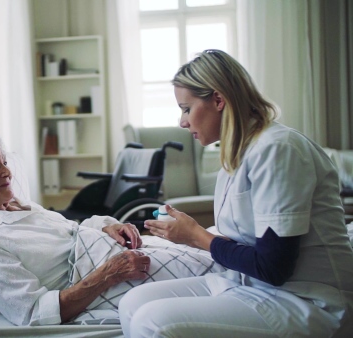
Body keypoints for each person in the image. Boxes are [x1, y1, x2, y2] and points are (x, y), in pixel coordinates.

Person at [118, 49, 353, 337]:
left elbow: (273, 268)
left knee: (152, 322)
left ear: (218, 99)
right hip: (247, 283)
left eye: (186, 108)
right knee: (132, 303)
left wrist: (196, 236)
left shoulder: (278, 149)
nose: (182, 122)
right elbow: (247, 238)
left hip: (305, 298)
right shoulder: (237, 156)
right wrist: (184, 231)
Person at [0, 130, 225, 326]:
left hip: (120, 255)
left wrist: (108, 226)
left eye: (4, 162)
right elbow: (34, 313)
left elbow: (71, 230)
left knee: (216, 248)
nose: (7, 172)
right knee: (221, 275)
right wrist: (107, 275)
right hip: (108, 278)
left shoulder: (19, 206)